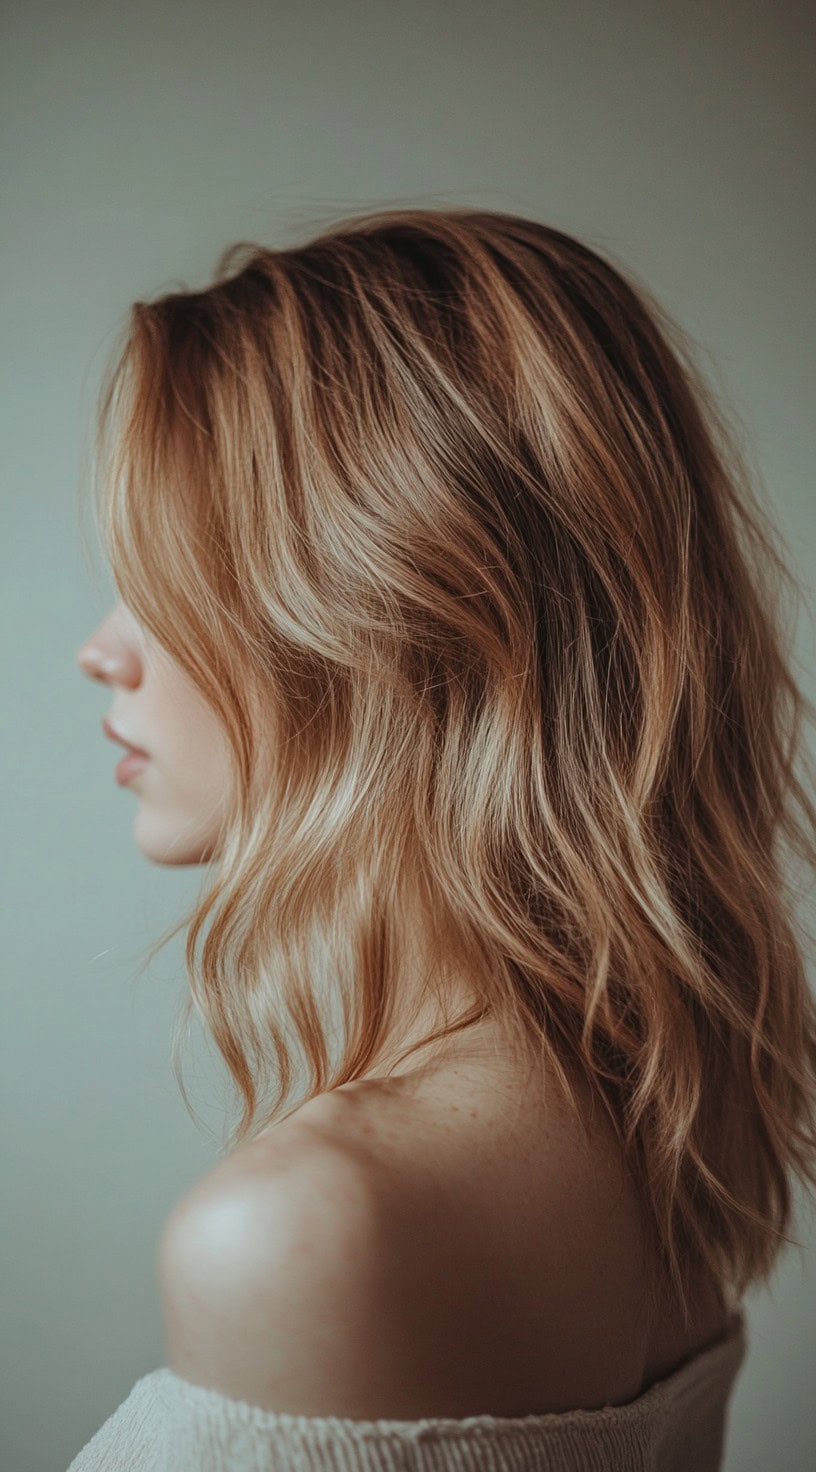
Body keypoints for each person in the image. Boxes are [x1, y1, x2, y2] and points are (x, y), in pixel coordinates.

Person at [67, 205, 816, 1470]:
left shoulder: (312, 1229)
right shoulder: (677, 1105)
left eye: (166, 571)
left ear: (385, 611)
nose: (104, 645)